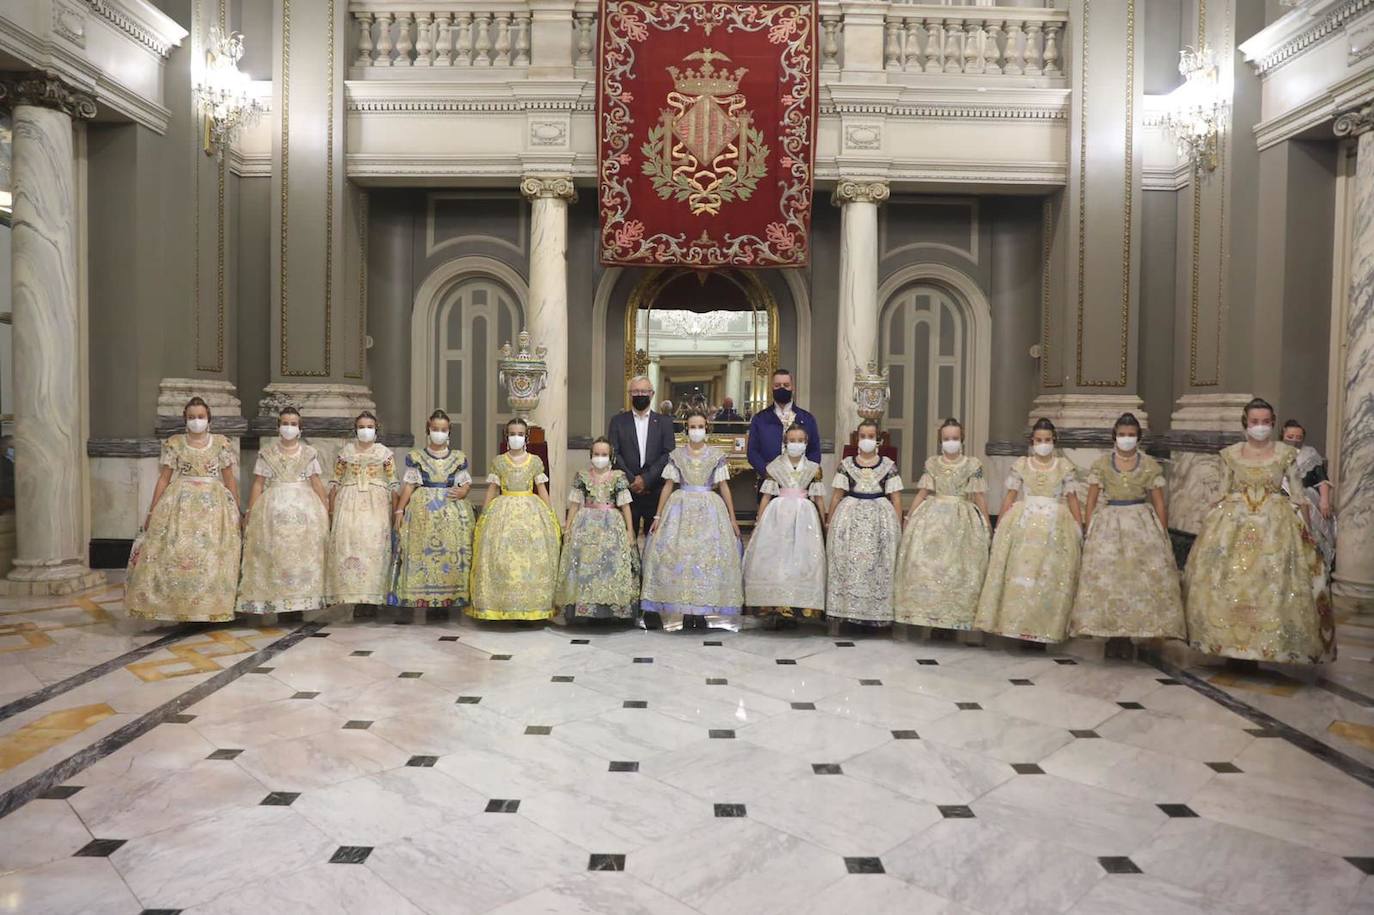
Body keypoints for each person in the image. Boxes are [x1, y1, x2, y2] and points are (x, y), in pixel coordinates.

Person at [1183, 398, 1335, 664]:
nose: (1260, 426)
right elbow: (1221, 493)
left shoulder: (1285, 454)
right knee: (1230, 582)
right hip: (1232, 525)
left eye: (1265, 422)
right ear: (1246, 423)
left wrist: (1308, 534)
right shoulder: (1230, 454)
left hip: (1276, 526)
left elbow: (1298, 496)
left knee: (1272, 585)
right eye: (1255, 422)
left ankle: (1266, 646)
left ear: (1273, 423)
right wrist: (1207, 527)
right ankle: (1230, 647)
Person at [1067, 413, 1184, 654]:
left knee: (1139, 577)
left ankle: (1134, 632)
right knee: (1109, 577)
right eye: (1122, 434)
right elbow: (1091, 499)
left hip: (1141, 523)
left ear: (1139, 438)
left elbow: (1159, 502)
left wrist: (1162, 532)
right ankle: (1110, 633)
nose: (1126, 439)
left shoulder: (1150, 465)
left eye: (1131, 435)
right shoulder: (1101, 464)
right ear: (1114, 436)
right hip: (1109, 522)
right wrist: (1089, 527)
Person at [126, 397, 242, 623]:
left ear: (209, 419)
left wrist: (237, 508)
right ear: (185, 420)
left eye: (200, 417)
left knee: (210, 554)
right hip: (180, 503)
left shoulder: (221, 443)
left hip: (214, 505)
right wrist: (152, 512)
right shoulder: (175, 443)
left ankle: (210, 607)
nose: (196, 421)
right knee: (177, 552)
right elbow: (163, 479)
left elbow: (230, 479)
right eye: (191, 417)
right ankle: (181, 607)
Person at [974, 418, 1083, 644]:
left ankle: (1044, 628)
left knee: (1048, 576)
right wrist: (1000, 525)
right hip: (1023, 523)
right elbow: (1010, 497)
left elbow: (1073, 500)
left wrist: (1080, 528)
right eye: (1039, 440)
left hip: (1056, 525)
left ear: (1054, 441)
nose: (1043, 444)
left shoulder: (1064, 467)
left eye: (1047, 440)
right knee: (1022, 575)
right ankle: (1019, 626)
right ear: (1032, 441)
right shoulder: (1022, 465)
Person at [641, 409, 744, 629]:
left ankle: (702, 611)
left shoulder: (716, 455)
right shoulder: (677, 455)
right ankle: (686, 611)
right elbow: (668, 485)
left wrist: (732, 518)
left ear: (707, 428)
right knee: (681, 557)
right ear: (686, 429)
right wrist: (658, 515)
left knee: (705, 558)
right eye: (692, 427)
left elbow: (724, 487)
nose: (696, 430)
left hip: (709, 507)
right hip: (680, 507)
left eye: (700, 426)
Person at [893, 418, 990, 633]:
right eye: (947, 438)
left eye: (955, 438)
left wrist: (985, 522)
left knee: (958, 567)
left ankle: (954, 617)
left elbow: (979, 496)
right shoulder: (933, 463)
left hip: (962, 519)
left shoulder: (973, 465)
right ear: (941, 440)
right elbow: (923, 491)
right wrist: (908, 519)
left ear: (961, 439)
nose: (951, 442)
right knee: (927, 564)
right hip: (933, 516)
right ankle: (928, 615)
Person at [237, 407, 330, 615]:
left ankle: (300, 603)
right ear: (278, 427)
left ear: (300, 428)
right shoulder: (267, 453)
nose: (289, 427)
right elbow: (258, 484)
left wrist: (325, 509)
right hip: (272, 508)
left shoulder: (308, 453)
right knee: (275, 553)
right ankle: (276, 602)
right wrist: (250, 512)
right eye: (285, 423)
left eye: (293, 424)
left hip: (305, 510)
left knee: (303, 554)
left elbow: (316, 482)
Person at [469, 418, 561, 621]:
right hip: (503, 510)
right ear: (506, 436)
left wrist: (550, 514)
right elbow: (492, 489)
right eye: (512, 434)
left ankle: (530, 607)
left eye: (520, 434)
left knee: (531, 559)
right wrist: (483, 516)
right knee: (503, 558)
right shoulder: (499, 461)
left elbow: (542, 489)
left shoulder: (535, 461)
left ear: (526, 437)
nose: (516, 438)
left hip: (530, 510)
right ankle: (503, 606)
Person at [742, 422, 827, 625]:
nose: (796, 444)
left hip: (805, 516)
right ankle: (775, 605)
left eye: (800, 441)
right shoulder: (775, 467)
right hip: (777, 515)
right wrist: (759, 523)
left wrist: (823, 523)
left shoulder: (814, 469)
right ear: (785, 442)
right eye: (792, 440)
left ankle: (799, 605)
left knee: (802, 558)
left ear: (806, 443)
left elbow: (819, 498)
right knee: (777, 558)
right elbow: (766, 496)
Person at [389, 409, 474, 609]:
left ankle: (448, 600)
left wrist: (463, 492)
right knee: (421, 550)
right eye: (435, 429)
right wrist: (400, 510)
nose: (439, 432)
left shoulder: (458, 457)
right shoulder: (416, 456)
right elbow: (409, 485)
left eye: (443, 429)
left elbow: (465, 482)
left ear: (449, 431)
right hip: (422, 511)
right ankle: (418, 598)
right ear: (429, 429)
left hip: (451, 511)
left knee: (450, 551)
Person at [825, 419, 903, 627]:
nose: (866, 440)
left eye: (870, 436)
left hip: (880, 519)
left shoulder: (888, 466)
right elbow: (836, 496)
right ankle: (847, 610)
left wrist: (896, 527)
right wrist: (830, 523)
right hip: (849, 519)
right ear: (856, 439)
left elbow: (895, 498)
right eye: (862, 436)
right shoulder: (847, 465)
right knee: (848, 563)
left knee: (877, 565)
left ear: (878, 439)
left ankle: (875, 613)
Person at [555, 436, 640, 624]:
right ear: (590, 455)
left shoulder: (618, 477)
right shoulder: (582, 476)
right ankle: (586, 608)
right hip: (585, 525)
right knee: (586, 566)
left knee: (610, 565)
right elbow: (575, 504)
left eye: (604, 454)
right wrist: (568, 529)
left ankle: (612, 610)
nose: (599, 457)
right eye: (596, 454)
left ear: (611, 457)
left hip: (611, 524)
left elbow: (625, 506)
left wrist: (629, 530)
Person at [325, 411, 397, 608]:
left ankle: (373, 600)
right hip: (348, 502)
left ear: (376, 430)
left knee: (374, 547)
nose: (366, 431)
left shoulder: (385, 454)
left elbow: (393, 483)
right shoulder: (345, 453)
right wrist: (330, 511)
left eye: (370, 427)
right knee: (350, 545)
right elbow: (334, 481)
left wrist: (396, 512)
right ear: (355, 430)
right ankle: (354, 598)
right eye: (362, 427)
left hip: (377, 503)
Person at [608, 375, 677, 538]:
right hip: (627, 490)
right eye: (636, 391)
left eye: (644, 391)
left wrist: (646, 479)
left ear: (652, 394)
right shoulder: (618, 421)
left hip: (655, 490)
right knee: (625, 538)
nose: (640, 395)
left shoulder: (664, 422)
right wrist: (633, 480)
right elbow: (614, 453)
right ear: (629, 394)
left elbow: (668, 453)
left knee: (655, 539)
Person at [747, 369, 821, 481]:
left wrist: (806, 474)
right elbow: (752, 452)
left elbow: (814, 450)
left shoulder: (807, 418)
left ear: (793, 387)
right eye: (777, 385)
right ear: (771, 388)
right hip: (769, 481)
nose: (782, 388)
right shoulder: (760, 419)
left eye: (786, 385)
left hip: (800, 482)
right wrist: (766, 472)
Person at [1281, 419, 1335, 573]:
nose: (1294, 440)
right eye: (1290, 436)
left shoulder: (1310, 453)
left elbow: (1322, 479)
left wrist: (1324, 501)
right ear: (1283, 434)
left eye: (1298, 437)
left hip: (1305, 497)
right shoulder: (1275, 451)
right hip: (1280, 498)